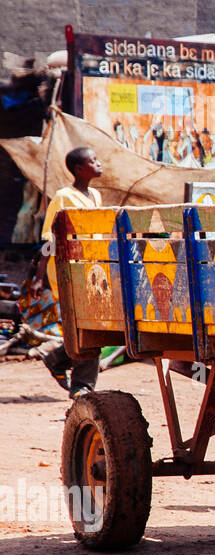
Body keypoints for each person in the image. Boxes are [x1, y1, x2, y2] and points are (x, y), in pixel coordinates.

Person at [30, 146, 104, 397]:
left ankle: (57, 359)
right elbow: (49, 238)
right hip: (69, 273)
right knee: (87, 327)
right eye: (93, 160)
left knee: (91, 327)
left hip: (94, 272)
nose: (99, 163)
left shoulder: (95, 195)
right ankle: (82, 385)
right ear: (79, 169)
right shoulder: (63, 197)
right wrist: (39, 279)